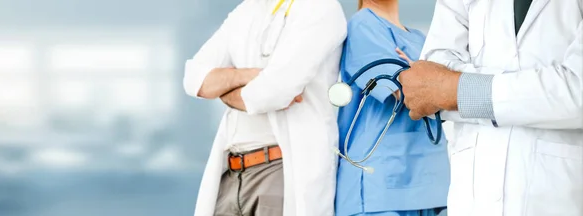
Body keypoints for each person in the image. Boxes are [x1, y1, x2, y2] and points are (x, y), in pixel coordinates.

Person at [397, 0, 582, 215]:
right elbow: (430, 82)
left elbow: (576, 92)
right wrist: (532, 95)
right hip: (473, 196)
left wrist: (455, 90)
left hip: (556, 195)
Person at [183, 0, 347, 215]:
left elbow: (274, 92)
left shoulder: (319, 7)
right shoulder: (245, 11)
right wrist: (247, 75)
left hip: (278, 171)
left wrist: (224, 89)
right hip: (231, 173)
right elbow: (194, 79)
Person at [334, 0, 450, 216]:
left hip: (427, 181)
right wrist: (433, 80)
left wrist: (427, 81)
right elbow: (407, 92)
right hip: (379, 186)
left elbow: (452, 93)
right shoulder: (364, 24)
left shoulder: (420, 39)